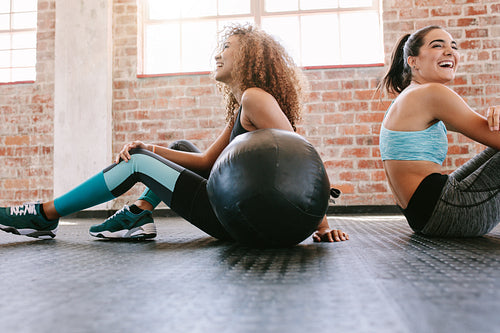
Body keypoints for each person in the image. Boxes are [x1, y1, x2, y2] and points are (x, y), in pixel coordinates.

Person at [0, 24, 348, 243]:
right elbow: (208, 161)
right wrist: (149, 148)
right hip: (231, 211)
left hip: (230, 218)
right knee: (174, 148)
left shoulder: (256, 97)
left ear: (248, 55)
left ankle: (44, 215)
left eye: (227, 47)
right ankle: (138, 213)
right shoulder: (245, 104)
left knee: (135, 162)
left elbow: (299, 158)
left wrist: (319, 224)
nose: (217, 54)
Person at [378, 25, 500, 237]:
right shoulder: (432, 93)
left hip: (423, 216)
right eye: (437, 45)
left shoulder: (411, 96)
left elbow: (491, 134)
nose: (450, 51)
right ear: (412, 61)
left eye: (453, 46)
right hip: (449, 212)